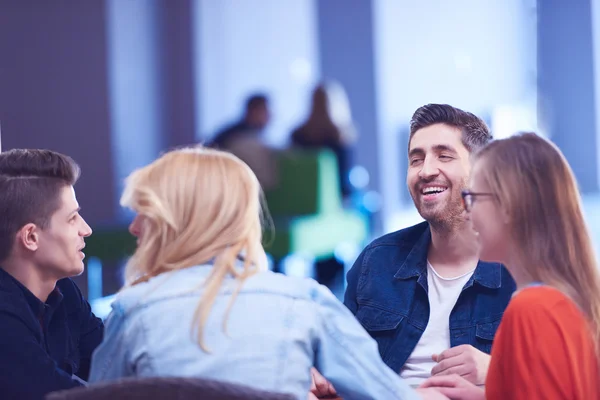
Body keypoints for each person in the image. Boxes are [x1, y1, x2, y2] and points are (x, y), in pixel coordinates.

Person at [88, 146, 443, 400]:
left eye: (144, 213)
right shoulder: (304, 302)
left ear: (177, 221)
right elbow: (385, 393)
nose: (134, 228)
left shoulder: (132, 310)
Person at [313, 104, 516, 398]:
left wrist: (500, 370)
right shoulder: (377, 261)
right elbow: (339, 360)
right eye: (416, 159)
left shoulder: (522, 268)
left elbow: (566, 382)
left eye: (444, 156)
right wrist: (321, 374)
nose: (426, 170)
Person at [420, 133, 600, 399]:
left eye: (473, 198)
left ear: (508, 205)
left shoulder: (531, 310)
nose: (467, 211)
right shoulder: (568, 304)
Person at [0, 149, 104, 399]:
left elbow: (114, 365)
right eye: (72, 218)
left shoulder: (63, 290)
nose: (86, 229)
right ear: (31, 237)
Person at [291, 81, 357, 198]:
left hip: (301, 197)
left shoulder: (298, 135)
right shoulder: (341, 138)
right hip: (333, 199)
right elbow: (345, 182)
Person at [208, 93, 277, 190]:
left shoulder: (243, 133)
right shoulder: (241, 139)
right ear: (253, 111)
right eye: (265, 111)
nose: (270, 116)